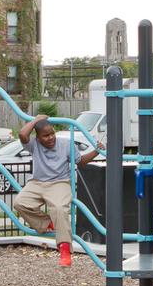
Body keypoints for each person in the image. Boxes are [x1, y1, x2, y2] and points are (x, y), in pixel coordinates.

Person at [12, 114, 99, 267]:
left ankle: (64, 250)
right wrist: (36, 120)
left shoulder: (66, 144)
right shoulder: (33, 145)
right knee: (20, 203)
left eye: (52, 133)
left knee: (59, 208)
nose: (51, 138)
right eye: (45, 136)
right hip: (38, 182)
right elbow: (22, 134)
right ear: (38, 138)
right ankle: (46, 223)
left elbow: (80, 161)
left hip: (60, 182)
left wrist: (97, 150)